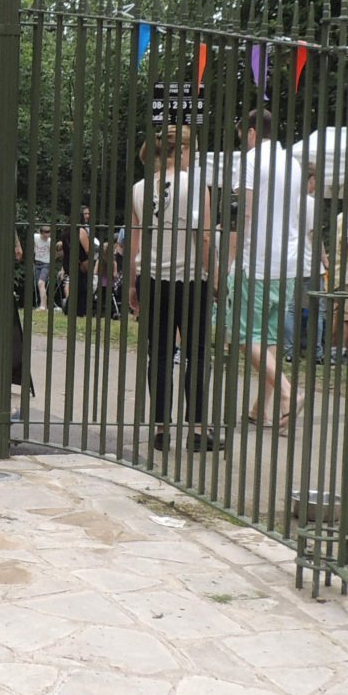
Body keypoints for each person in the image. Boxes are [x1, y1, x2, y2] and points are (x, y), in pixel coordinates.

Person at [129, 125, 214, 451]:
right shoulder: (195, 186)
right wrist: (214, 276)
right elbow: (203, 237)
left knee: (160, 354)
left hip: (152, 279)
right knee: (197, 354)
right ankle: (197, 430)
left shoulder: (139, 189)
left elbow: (135, 240)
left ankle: (161, 429)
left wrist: (132, 283)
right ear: (182, 151)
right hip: (190, 279)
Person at [233, 109, 310, 429]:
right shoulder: (293, 163)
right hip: (289, 260)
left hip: (258, 258)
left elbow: (246, 212)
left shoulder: (251, 160)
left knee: (241, 333)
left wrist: (233, 257)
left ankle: (289, 392)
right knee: (269, 337)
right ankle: (260, 410)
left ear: (252, 133)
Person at [33, 224, 52, 309]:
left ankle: (43, 306)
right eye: (45, 235)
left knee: (41, 283)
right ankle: (44, 304)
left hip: (46, 263)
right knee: (40, 284)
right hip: (37, 262)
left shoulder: (50, 241)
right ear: (40, 233)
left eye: (48, 234)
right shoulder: (35, 237)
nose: (46, 237)